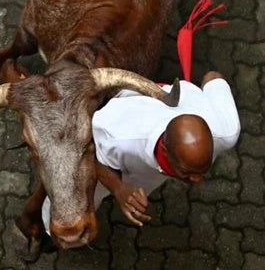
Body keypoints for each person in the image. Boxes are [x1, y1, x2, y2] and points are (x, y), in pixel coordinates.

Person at [42, 70, 240, 230]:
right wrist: (119, 190)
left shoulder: (226, 131)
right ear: (163, 147)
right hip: (125, 118)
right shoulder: (119, 135)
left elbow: (213, 77)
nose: (197, 180)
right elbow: (88, 153)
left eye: (202, 168)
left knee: (143, 184)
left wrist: (206, 88)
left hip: (156, 157)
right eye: (188, 171)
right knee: (81, 193)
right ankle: (49, 229)